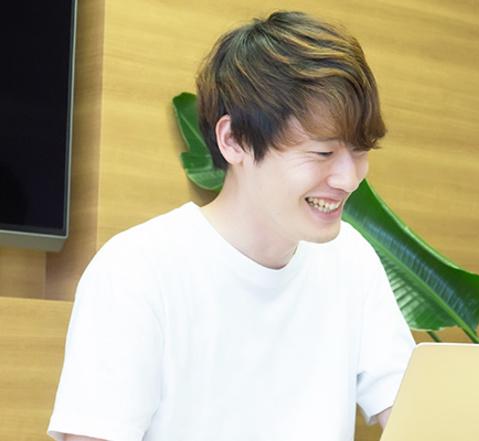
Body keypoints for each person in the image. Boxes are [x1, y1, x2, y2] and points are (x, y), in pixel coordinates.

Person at [48, 11, 414, 441]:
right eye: (322, 153)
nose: (349, 179)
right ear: (234, 140)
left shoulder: (350, 260)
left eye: (360, 151)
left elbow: (418, 416)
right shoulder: (138, 270)